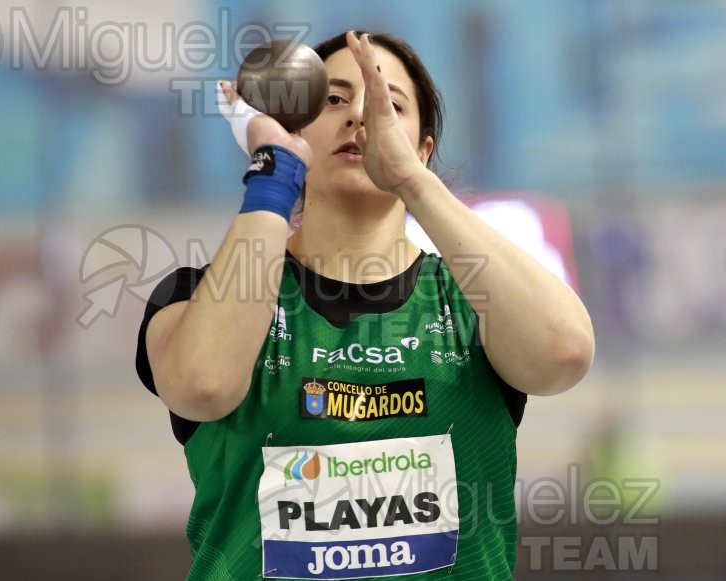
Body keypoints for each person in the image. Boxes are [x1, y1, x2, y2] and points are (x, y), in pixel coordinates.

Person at [136, 30, 594, 580]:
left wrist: (412, 182)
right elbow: (202, 384)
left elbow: (564, 353)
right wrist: (275, 171)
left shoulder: (476, 303)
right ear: (296, 125)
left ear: (423, 148)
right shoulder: (195, 295)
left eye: (388, 104)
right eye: (332, 99)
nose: (359, 115)